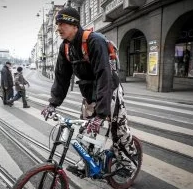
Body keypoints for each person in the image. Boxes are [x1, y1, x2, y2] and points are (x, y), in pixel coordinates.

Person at [41, 7, 136, 173]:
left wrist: (101, 115)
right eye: (57, 24)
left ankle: (128, 165)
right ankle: (85, 165)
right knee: (86, 131)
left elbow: (104, 76)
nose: (58, 28)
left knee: (118, 130)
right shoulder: (65, 48)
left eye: (62, 23)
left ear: (74, 25)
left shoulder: (94, 40)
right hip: (89, 95)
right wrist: (53, 104)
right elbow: (61, 78)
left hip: (110, 91)